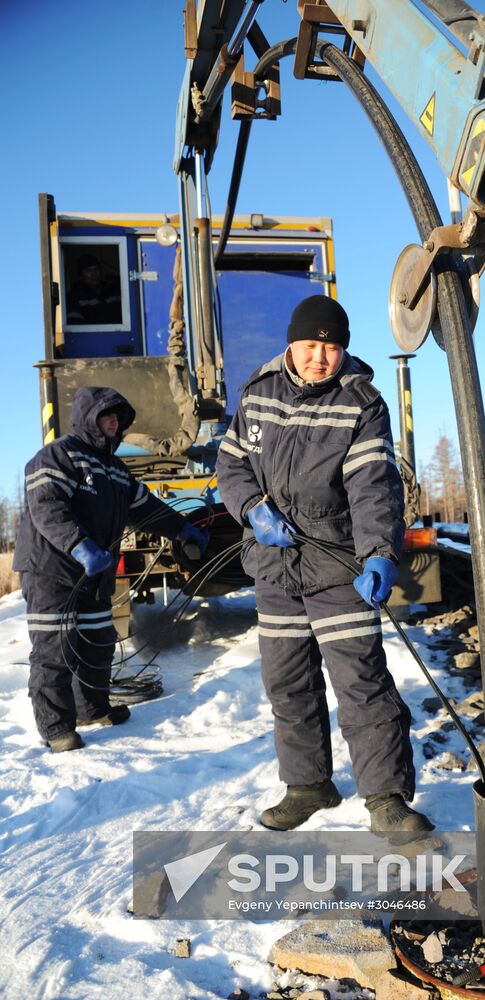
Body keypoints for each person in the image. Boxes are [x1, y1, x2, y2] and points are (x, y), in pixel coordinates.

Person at [216, 295, 433, 833]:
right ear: (291, 344)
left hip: (337, 565)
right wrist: (251, 508)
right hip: (274, 565)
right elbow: (231, 464)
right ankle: (308, 785)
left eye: (331, 347)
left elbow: (372, 489)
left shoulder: (361, 403)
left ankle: (385, 799)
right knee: (287, 683)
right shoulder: (257, 394)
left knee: (360, 681)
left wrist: (380, 553)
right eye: (311, 345)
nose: (320, 358)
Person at [13, 386, 208, 753]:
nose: (114, 423)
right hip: (51, 570)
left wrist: (182, 529)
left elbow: (146, 507)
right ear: (87, 419)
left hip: (94, 571)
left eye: (117, 417)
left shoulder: (115, 471)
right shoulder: (57, 457)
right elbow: (46, 507)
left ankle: (92, 709)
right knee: (55, 650)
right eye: (106, 416)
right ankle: (57, 729)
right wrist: (78, 544)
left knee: (97, 641)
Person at [66, 253, 122, 325]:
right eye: (88, 270)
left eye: (96, 269)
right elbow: (76, 327)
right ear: (81, 275)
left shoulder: (112, 290)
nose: (94, 274)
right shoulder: (74, 297)